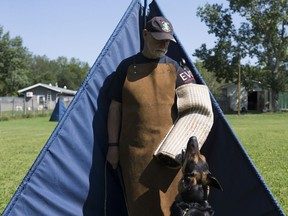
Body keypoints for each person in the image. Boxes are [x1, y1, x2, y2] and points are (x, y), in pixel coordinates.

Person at [107, 16, 213, 216]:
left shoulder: (176, 69)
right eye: (158, 39)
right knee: (139, 209)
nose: (163, 44)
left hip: (170, 156)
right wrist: (112, 146)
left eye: (167, 40)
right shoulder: (126, 68)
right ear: (145, 34)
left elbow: (195, 109)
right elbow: (115, 108)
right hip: (134, 156)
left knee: (172, 210)